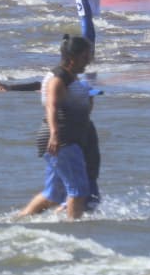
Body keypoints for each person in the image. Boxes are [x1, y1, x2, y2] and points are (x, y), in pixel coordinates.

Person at [19, 36, 95, 221]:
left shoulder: (70, 77)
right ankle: (73, 230)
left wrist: (89, 97)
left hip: (64, 139)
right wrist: (55, 135)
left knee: (53, 194)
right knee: (79, 190)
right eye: (85, 57)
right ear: (72, 58)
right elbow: (51, 106)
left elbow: (79, 107)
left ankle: (16, 221)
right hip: (62, 140)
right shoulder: (59, 78)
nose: (88, 61)